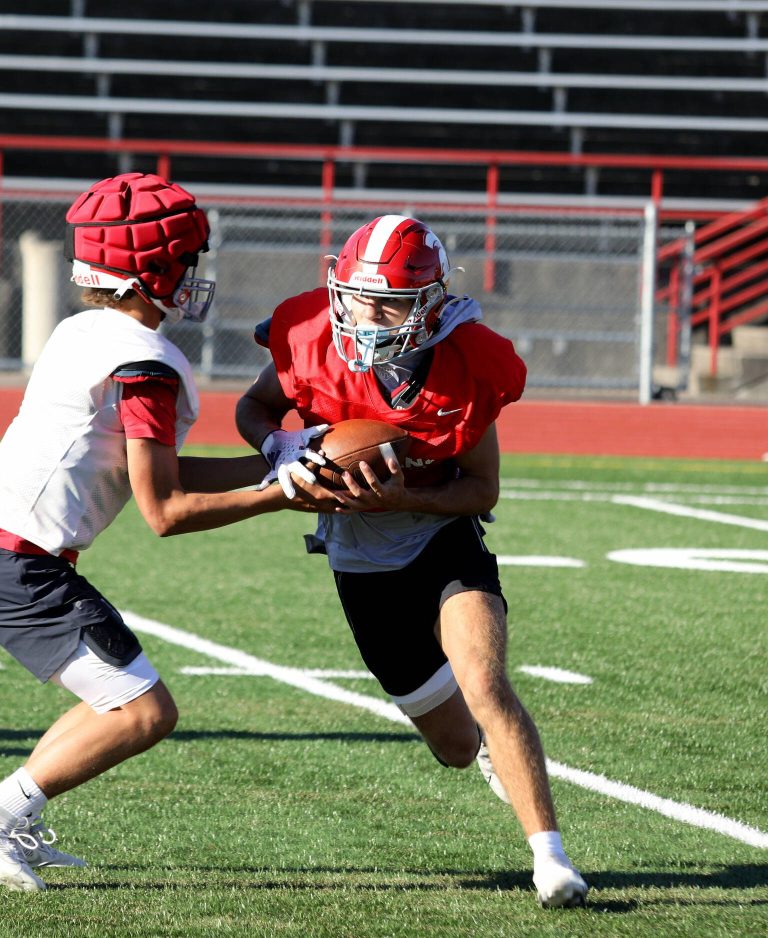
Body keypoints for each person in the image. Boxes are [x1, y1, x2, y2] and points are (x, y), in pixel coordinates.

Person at [0, 172, 344, 892]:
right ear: (152, 269)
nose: (195, 275)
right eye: (187, 261)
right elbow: (165, 510)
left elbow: (145, 464)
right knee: (144, 712)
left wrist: (270, 457)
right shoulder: (141, 363)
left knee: (116, 698)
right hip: (17, 564)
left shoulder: (85, 331)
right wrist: (281, 495)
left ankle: (5, 818)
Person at [235, 214, 589, 909]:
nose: (368, 314)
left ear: (430, 302)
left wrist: (400, 495)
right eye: (359, 295)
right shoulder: (308, 336)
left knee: (485, 683)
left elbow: (481, 489)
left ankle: (551, 858)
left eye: (390, 300)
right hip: (359, 562)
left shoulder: (470, 363)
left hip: (439, 541)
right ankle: (491, 755)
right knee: (457, 746)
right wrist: (281, 449)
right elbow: (254, 407)